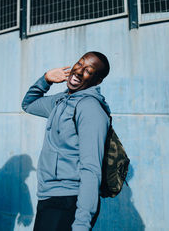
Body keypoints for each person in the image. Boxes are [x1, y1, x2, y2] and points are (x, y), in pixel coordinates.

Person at [22, 51, 111, 231]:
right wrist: (45, 79)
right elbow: (28, 104)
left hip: (69, 200)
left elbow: (91, 168)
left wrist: (82, 223)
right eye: (80, 63)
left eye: (89, 70)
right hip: (49, 196)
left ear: (98, 81)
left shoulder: (90, 109)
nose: (79, 71)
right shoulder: (61, 101)